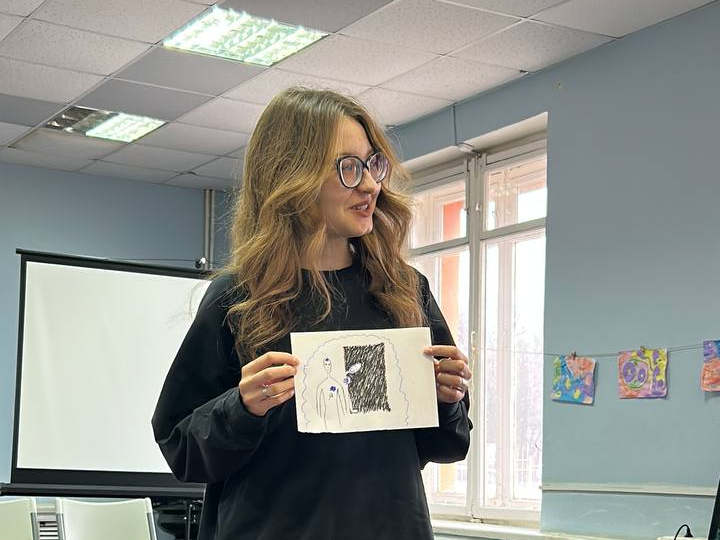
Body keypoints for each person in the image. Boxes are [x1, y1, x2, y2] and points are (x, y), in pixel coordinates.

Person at [152, 87, 473, 540]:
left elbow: (447, 445)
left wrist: (447, 399)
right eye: (347, 167)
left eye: (373, 164)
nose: (370, 184)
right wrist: (242, 407)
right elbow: (181, 449)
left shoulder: (404, 290)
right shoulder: (239, 298)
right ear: (291, 175)